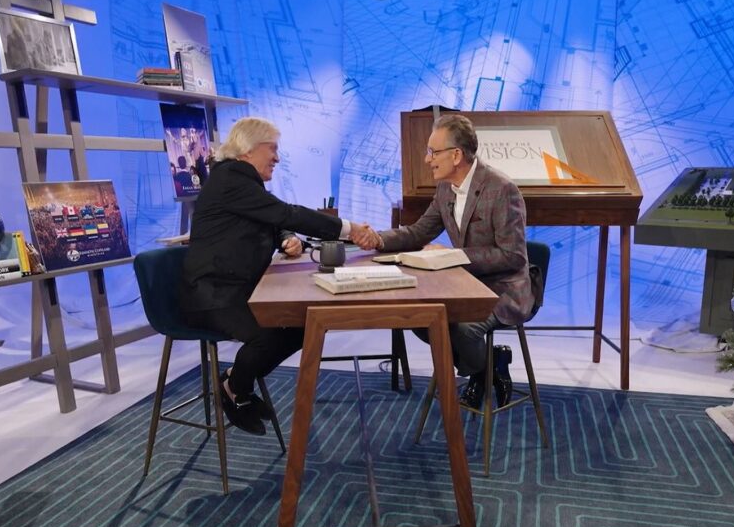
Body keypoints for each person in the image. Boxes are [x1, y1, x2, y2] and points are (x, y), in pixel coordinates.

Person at [181, 117, 375, 435]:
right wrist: (349, 229)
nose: (277, 157)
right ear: (247, 150)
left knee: (301, 324)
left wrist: (287, 237)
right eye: (271, 149)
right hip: (212, 296)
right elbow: (285, 212)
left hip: (236, 288)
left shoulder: (239, 181)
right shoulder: (230, 178)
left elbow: (272, 219)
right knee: (272, 332)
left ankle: (236, 381)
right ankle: (235, 389)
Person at [357, 114, 533, 409]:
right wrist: (377, 239)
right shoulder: (445, 189)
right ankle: (489, 365)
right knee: (419, 318)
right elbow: (418, 232)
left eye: (433, 152)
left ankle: (480, 373)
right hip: (464, 284)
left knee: (463, 329)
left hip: (502, 287)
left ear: (456, 155)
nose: (427, 159)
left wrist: (453, 256)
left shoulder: (502, 189)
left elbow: (513, 255)